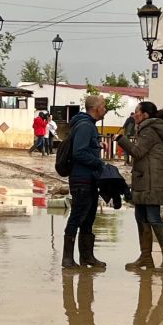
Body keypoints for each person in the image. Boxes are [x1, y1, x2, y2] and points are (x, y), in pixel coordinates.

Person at [121, 100, 163, 273]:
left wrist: (121, 140)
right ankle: (145, 256)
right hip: (144, 180)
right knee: (141, 217)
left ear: (145, 115)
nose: (134, 114)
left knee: (153, 218)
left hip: (151, 182)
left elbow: (137, 152)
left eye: (137, 112)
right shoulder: (146, 129)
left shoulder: (150, 130)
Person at [62, 93, 108, 271]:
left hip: (89, 179)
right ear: (96, 108)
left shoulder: (88, 126)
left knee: (88, 218)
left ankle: (87, 256)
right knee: (77, 217)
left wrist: (97, 144)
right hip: (82, 179)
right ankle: (68, 259)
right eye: (103, 106)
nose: (105, 109)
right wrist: (98, 162)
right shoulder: (85, 126)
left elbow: (84, 147)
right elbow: (79, 152)